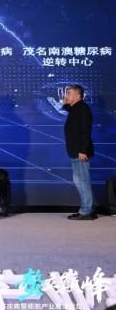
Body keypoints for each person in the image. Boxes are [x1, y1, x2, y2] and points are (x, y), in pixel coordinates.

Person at [62, 84, 97, 220]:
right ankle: (87, 209)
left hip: (80, 152)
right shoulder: (76, 108)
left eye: (69, 93)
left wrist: (83, 150)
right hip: (75, 151)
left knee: (82, 181)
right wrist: (66, 104)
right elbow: (69, 109)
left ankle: (86, 211)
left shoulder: (82, 109)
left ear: (78, 95)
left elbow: (85, 131)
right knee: (80, 181)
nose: (66, 95)